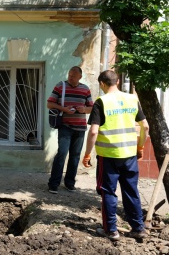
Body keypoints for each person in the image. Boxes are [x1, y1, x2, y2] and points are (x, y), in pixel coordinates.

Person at [82, 70, 149, 241]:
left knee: (108, 192)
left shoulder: (101, 102)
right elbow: (145, 127)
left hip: (108, 156)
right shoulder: (132, 99)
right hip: (129, 155)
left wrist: (88, 153)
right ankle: (138, 228)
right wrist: (140, 146)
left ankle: (111, 231)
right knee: (131, 191)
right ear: (117, 81)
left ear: (102, 84)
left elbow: (93, 131)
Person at [47, 66, 93, 193]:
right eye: (69, 75)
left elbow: (91, 108)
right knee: (62, 153)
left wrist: (84, 110)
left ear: (80, 76)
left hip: (80, 127)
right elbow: (49, 104)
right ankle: (53, 184)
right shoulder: (60, 86)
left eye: (73, 75)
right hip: (65, 126)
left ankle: (69, 183)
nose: (70, 77)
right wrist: (65, 109)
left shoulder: (85, 89)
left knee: (75, 156)